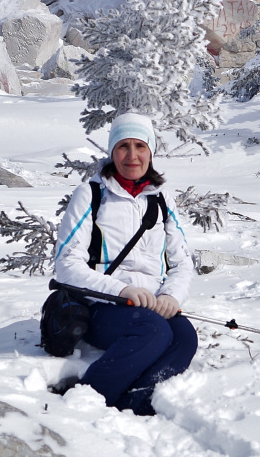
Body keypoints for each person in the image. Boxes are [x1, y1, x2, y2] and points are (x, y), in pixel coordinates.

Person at [52, 112, 196, 415]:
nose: (132, 155)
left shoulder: (161, 200)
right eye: (123, 146)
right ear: (111, 152)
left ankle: (136, 400)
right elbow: (66, 263)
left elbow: (182, 262)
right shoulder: (90, 195)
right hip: (100, 306)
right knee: (153, 331)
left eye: (140, 146)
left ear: (151, 152)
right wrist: (121, 290)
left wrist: (171, 296)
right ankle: (87, 397)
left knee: (184, 336)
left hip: (151, 306)